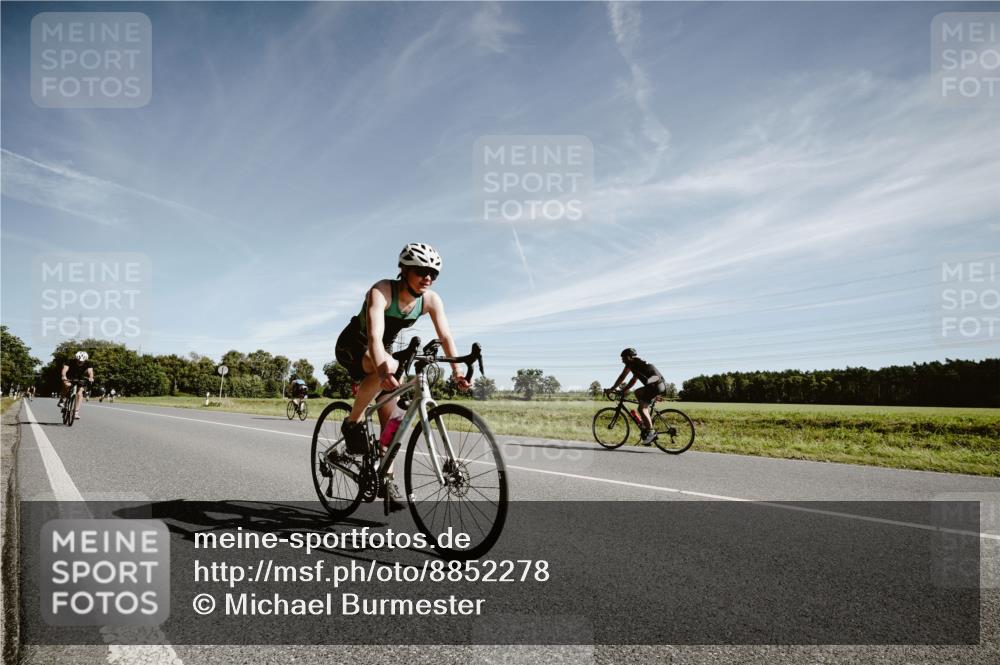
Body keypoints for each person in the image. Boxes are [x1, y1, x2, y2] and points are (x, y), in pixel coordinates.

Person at [334, 243, 470, 508]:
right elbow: (374, 336)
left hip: (383, 352)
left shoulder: (430, 300)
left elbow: (445, 336)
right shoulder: (382, 291)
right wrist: (384, 369)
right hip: (354, 346)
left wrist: (457, 371)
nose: (428, 277)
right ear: (404, 270)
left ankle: (386, 479)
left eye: (433, 273)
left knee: (393, 421)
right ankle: (353, 422)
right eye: (421, 270)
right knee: (389, 366)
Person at [605, 348, 667, 445]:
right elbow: (633, 381)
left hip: (654, 387)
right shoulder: (639, 365)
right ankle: (645, 422)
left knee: (641, 409)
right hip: (659, 385)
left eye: (623, 358)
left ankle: (650, 432)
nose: (622, 361)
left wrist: (612, 389)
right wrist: (623, 390)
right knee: (637, 392)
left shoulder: (632, 365)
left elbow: (622, 377)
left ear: (629, 357)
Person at [59, 351, 95, 420]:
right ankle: (62, 400)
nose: (80, 363)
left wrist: (91, 377)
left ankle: (76, 412)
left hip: (80, 378)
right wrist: (63, 376)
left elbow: (90, 371)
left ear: (85, 360)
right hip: (70, 376)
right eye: (79, 361)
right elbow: (64, 370)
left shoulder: (88, 363)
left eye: (82, 361)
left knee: (79, 393)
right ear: (76, 359)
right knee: (67, 385)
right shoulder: (70, 361)